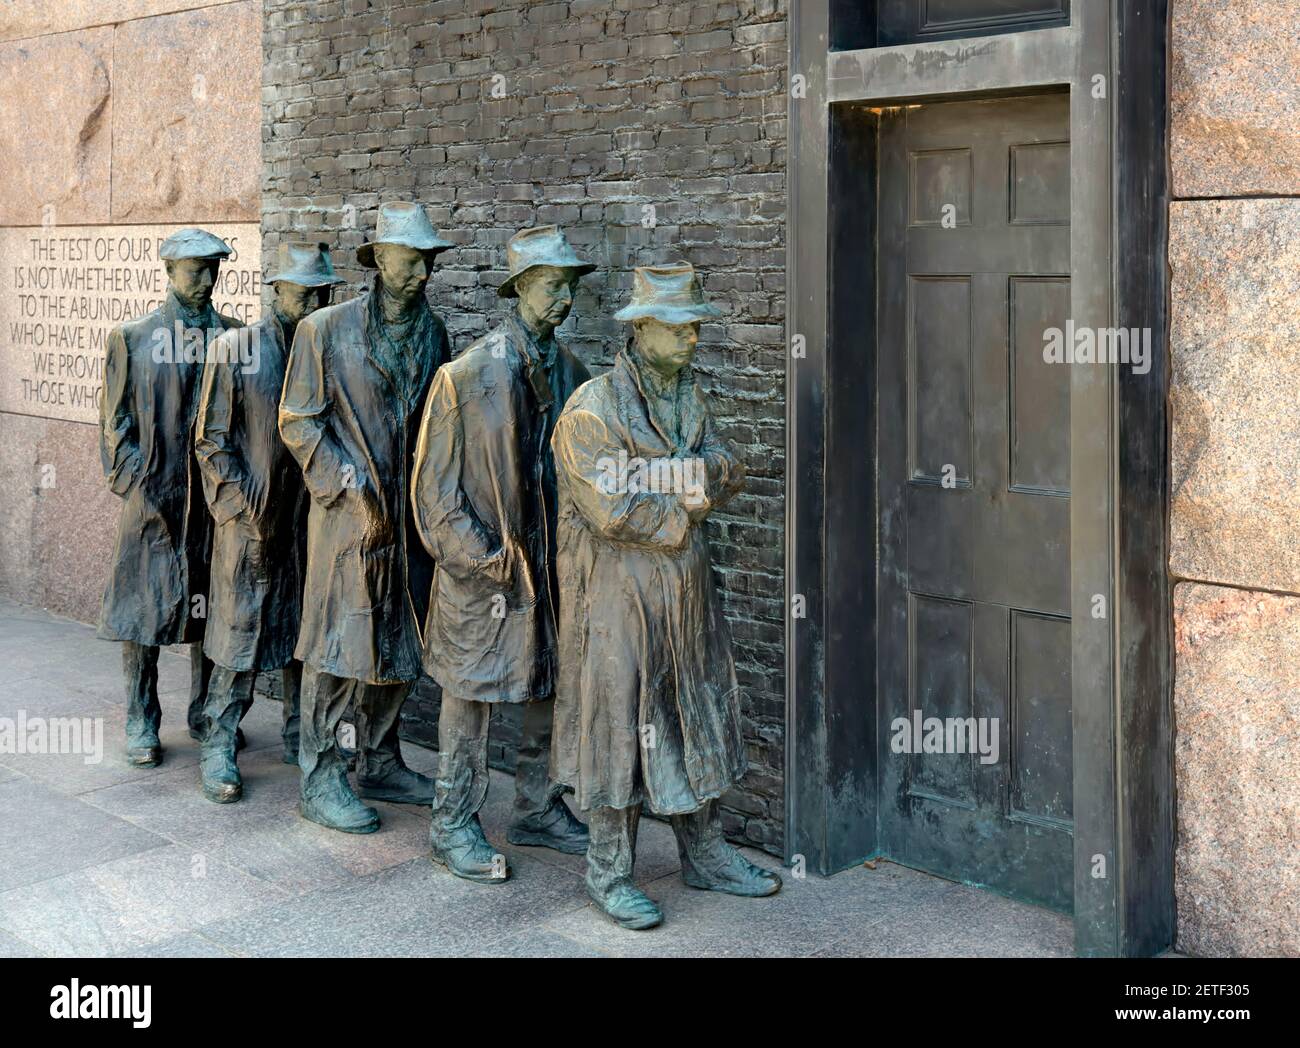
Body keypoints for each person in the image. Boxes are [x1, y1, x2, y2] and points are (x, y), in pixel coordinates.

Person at [550, 263, 782, 928]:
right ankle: (608, 871)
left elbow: (726, 466)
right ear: (643, 329)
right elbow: (612, 508)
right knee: (617, 727)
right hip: (618, 601)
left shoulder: (690, 396)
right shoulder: (592, 409)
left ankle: (705, 856)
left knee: (693, 717)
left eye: (696, 328)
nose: (692, 340)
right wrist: (687, 500)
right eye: (680, 329)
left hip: (684, 593)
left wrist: (686, 479)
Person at [411, 226, 594, 882]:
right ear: (519, 288)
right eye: (551, 285)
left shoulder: (575, 375)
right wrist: (479, 559)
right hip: (483, 575)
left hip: (550, 571)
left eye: (570, 287)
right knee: (471, 693)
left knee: (552, 684)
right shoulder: (466, 375)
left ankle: (539, 806)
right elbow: (433, 490)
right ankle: (452, 820)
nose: (563, 299)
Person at [279, 203, 451, 833]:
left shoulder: (434, 333)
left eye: (430, 260)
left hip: (411, 522)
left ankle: (380, 758)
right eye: (412, 259)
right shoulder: (324, 330)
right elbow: (300, 422)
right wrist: (352, 493)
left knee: (403, 639)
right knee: (338, 643)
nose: (423, 271)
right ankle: (320, 776)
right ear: (379, 259)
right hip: (347, 522)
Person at [193, 242, 345, 802]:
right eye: (303, 292)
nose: (312, 303)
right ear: (276, 289)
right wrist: (238, 509)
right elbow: (210, 441)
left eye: (322, 293)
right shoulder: (235, 350)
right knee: (239, 635)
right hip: (249, 521)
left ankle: (299, 735)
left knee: (305, 631)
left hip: (311, 521)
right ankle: (219, 739)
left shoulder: (329, 351)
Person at [98, 228, 243, 768]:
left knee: (211, 610)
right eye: (194, 270)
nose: (205, 281)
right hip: (153, 505)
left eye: (213, 270)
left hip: (211, 506)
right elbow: (114, 428)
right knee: (145, 614)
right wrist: (138, 485)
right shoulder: (133, 338)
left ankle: (206, 711)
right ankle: (141, 715)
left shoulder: (233, 339)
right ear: (168, 271)